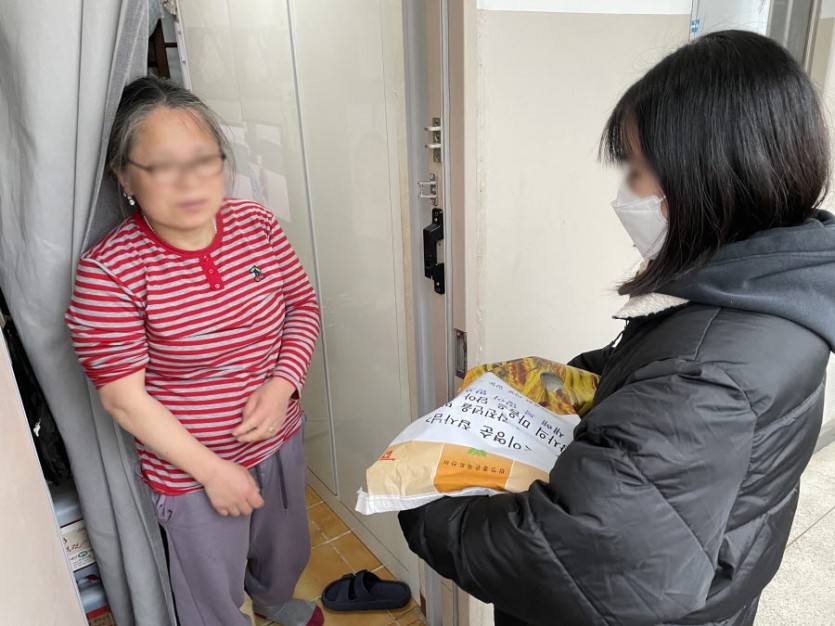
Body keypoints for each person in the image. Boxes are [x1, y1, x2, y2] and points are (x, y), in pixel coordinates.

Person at [399, 30, 835, 626]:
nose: (627, 191)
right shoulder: (775, 285)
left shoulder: (707, 377)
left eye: (638, 168)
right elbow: (664, 368)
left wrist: (425, 495)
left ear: (708, 174)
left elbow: (569, 557)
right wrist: (572, 379)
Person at [65, 76, 324, 626]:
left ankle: (274, 601)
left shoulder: (256, 225)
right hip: (191, 469)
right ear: (124, 176)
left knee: (284, 546)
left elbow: (302, 306)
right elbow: (123, 400)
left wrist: (282, 386)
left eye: (203, 159)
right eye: (162, 165)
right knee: (210, 591)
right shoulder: (109, 271)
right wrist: (212, 472)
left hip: (280, 434)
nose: (189, 182)